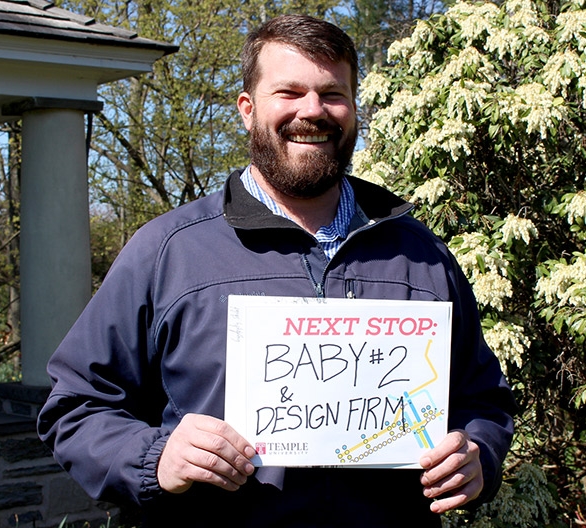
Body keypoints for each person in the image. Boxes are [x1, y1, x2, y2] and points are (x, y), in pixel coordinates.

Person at [37, 14, 516, 527]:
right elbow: (76, 406)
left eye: (332, 94)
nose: (313, 111)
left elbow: (481, 398)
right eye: (289, 92)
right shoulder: (168, 251)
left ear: (353, 109)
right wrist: (155, 458)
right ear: (248, 109)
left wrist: (477, 456)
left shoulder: (421, 256)